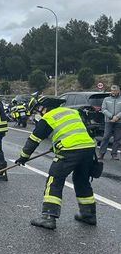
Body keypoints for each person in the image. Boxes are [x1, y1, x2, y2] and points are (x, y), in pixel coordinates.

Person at [17, 95, 98, 230]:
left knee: (54, 180)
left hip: (69, 151)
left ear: (46, 108)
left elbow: (34, 140)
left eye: (39, 110)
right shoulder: (73, 112)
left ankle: (49, 217)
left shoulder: (48, 117)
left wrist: (23, 157)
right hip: (88, 148)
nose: (38, 112)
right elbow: (75, 132)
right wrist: (55, 146)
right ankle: (88, 215)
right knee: (82, 180)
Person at [99, 84, 121, 160]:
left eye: (115, 90)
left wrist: (117, 117)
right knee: (105, 137)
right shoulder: (106, 99)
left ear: (118, 91)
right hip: (109, 121)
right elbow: (103, 109)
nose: (113, 92)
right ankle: (101, 154)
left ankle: (114, 154)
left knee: (117, 138)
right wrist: (111, 116)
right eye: (112, 90)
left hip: (119, 122)